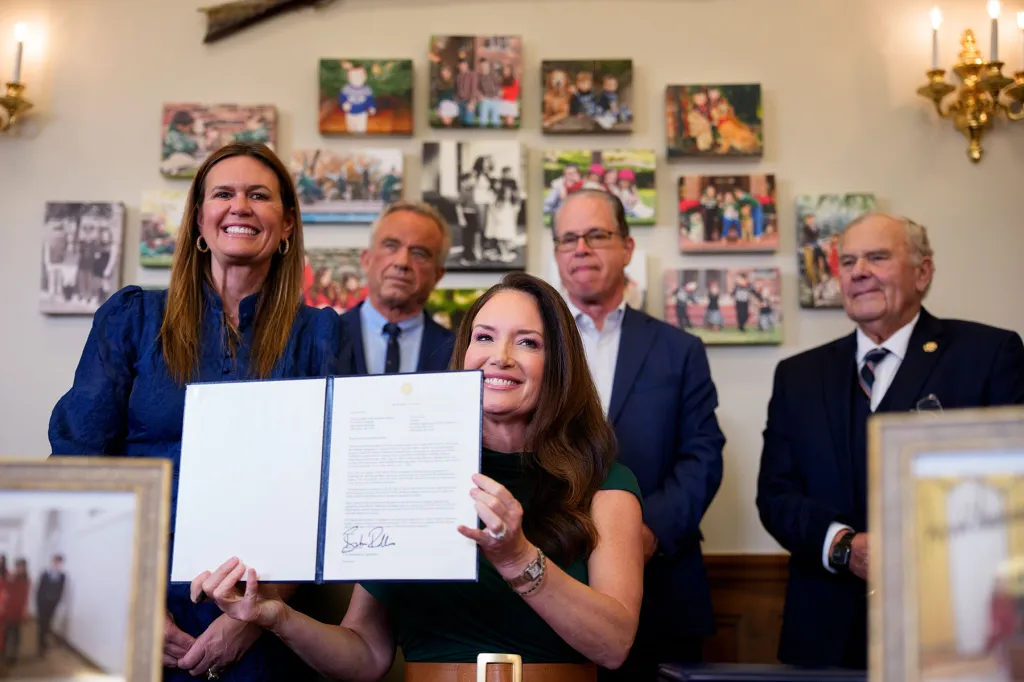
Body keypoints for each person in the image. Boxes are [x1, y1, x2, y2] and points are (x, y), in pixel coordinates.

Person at [191, 273, 645, 682]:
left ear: (560, 365)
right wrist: (274, 616)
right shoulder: (412, 473)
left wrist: (517, 557)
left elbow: (612, 645)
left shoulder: (603, 483)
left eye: (527, 343)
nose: (499, 357)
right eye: (484, 337)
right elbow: (366, 653)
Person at [48, 141, 350, 682]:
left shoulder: (322, 335)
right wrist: (134, 601)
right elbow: (77, 467)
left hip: (268, 608)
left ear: (286, 226)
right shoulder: (133, 319)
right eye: (223, 194)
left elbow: (336, 486)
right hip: (131, 596)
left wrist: (256, 617)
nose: (240, 206)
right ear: (197, 219)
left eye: (259, 195)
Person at [757, 212, 1024, 669]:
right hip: (822, 632)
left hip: (949, 626)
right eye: (848, 261)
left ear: (923, 272)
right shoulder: (798, 375)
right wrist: (844, 546)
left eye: (877, 257)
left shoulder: (989, 355)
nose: (858, 272)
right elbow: (776, 495)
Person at [549, 189, 726, 680]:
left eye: (596, 235)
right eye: (567, 239)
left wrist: (646, 533)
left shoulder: (680, 349)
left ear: (627, 247)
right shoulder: (533, 346)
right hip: (549, 582)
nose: (580, 248)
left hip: (663, 587)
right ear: (557, 255)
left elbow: (703, 456)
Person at [341, 200, 455, 375]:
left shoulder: (456, 351)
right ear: (366, 260)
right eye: (391, 246)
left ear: (437, 275)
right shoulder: (323, 338)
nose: (402, 262)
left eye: (419, 253)